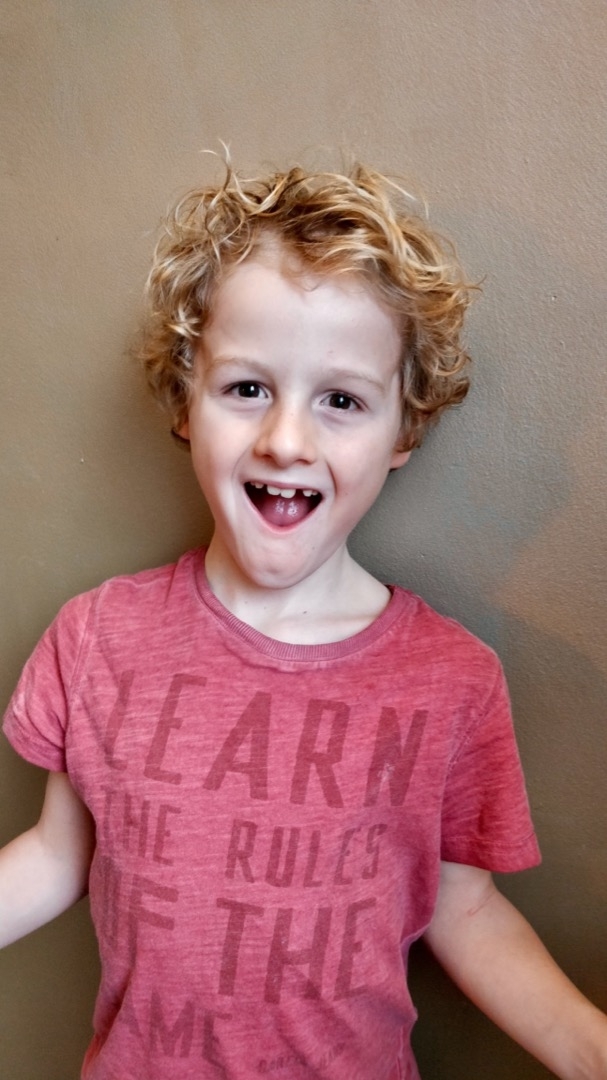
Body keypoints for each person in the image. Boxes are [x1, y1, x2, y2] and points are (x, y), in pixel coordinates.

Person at [1, 159, 606, 1080]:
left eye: (341, 401)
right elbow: (56, 856)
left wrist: (587, 1047)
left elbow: (464, 908)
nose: (286, 440)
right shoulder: (97, 639)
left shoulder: (453, 681)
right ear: (186, 402)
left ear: (403, 431)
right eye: (246, 388)